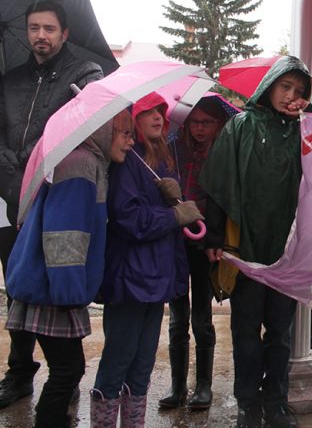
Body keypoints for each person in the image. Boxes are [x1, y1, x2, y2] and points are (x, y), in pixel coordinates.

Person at [199, 56, 312, 428]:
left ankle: (277, 401)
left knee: (280, 333)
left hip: (289, 252)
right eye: (286, 87)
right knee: (246, 331)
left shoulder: (306, 131)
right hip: (245, 248)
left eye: (299, 92)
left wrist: (310, 116)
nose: (291, 96)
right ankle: (248, 402)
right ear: (270, 86)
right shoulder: (241, 126)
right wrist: (214, 235)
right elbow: (218, 180)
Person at [0, 0, 103, 409]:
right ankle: (19, 373)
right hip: (10, 196)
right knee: (18, 287)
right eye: (33, 28)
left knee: (61, 286)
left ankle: (65, 373)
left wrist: (32, 174)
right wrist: (11, 179)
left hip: (54, 196)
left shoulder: (84, 75)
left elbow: (81, 130)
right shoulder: (10, 81)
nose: (40, 36)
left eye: (48, 28)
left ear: (65, 33)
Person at [3, 109, 133, 428]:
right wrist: (70, 293)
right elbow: (65, 234)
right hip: (53, 288)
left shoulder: (90, 162)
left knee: (68, 370)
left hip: (53, 284)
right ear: (103, 132)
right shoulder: (81, 165)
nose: (130, 143)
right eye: (125, 133)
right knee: (66, 371)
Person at [90, 93, 202, 427]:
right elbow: (127, 219)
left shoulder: (162, 161)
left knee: (143, 360)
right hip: (131, 277)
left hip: (157, 276)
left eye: (161, 112)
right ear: (133, 121)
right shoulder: (128, 160)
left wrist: (175, 197)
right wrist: (173, 215)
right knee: (119, 356)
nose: (157, 117)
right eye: (148, 112)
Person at [158, 96, 229, 411]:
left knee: (201, 316)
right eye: (195, 122)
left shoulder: (223, 154)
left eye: (207, 122)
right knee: (177, 317)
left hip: (204, 243)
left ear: (217, 124)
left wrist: (214, 236)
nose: (200, 128)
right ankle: (177, 386)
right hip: (175, 240)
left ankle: (203, 386)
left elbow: (224, 200)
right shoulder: (172, 150)